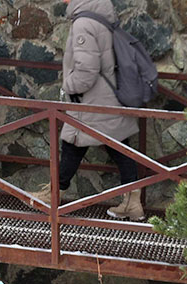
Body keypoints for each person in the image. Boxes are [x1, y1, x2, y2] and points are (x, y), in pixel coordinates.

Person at [33, 0, 144, 220]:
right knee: (118, 146)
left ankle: (52, 195)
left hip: (91, 100)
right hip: (109, 97)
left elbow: (87, 70)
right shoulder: (103, 16)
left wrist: (68, 87)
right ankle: (132, 203)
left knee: (73, 142)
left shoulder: (83, 22)